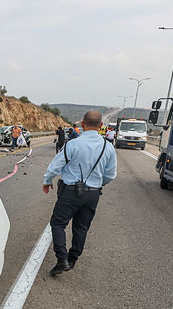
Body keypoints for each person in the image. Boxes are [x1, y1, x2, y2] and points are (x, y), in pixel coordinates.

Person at [42, 110, 117, 275]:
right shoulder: (108, 147)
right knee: (81, 227)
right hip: (93, 194)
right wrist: (97, 185)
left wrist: (47, 181)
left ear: (82, 125)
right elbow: (110, 175)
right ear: (101, 126)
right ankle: (72, 258)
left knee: (58, 224)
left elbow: (55, 166)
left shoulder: (72, 144)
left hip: (69, 192)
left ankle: (62, 259)